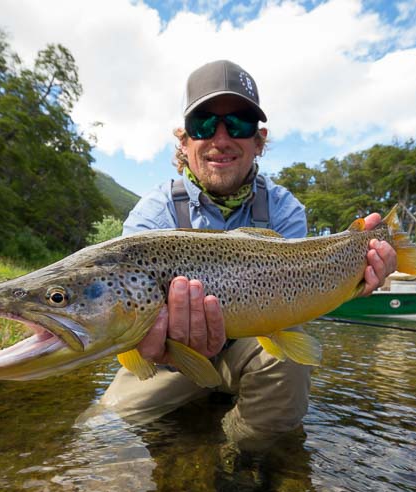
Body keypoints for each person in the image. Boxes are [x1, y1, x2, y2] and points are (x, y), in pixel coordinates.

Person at [99, 59, 396, 442]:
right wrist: (150, 344)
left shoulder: (284, 208)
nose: (221, 138)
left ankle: (243, 451)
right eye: (204, 124)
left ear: (258, 141)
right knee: (109, 431)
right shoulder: (153, 215)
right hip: (170, 359)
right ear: (184, 141)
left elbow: (299, 302)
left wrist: (359, 275)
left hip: (252, 347)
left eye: (238, 123)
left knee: (286, 363)